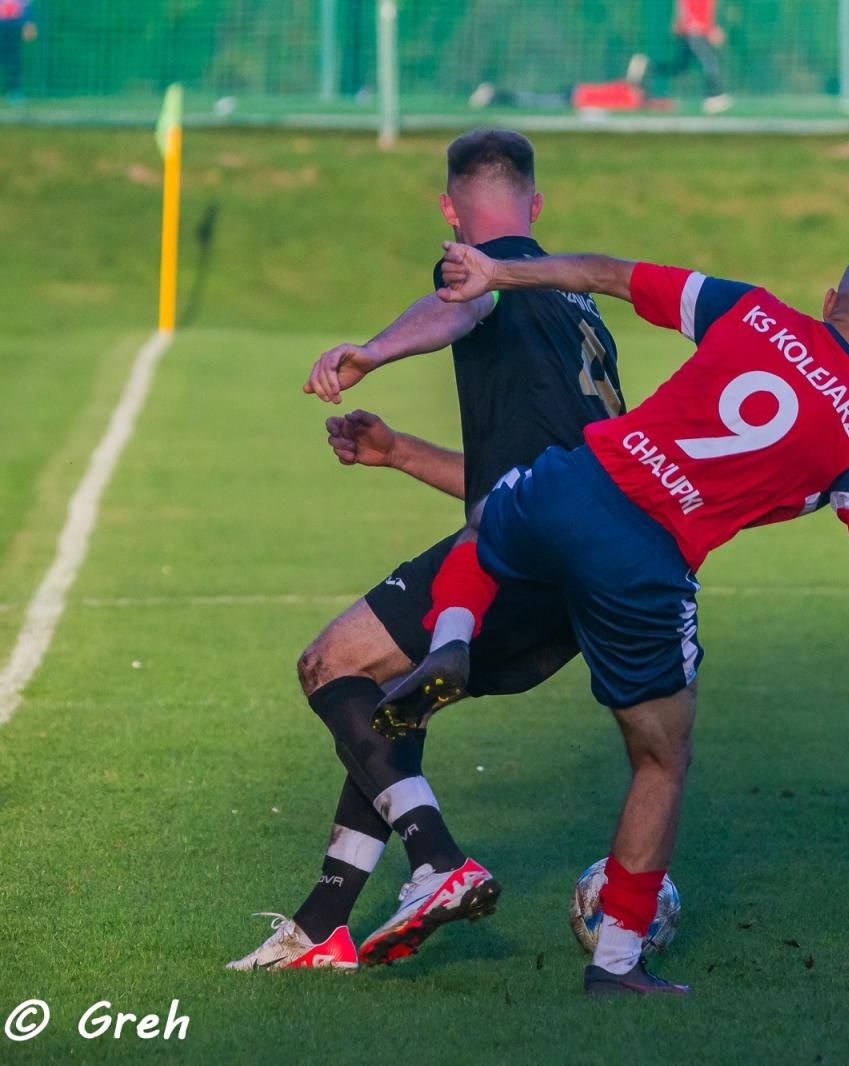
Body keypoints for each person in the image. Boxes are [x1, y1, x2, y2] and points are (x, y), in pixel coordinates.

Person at [382, 244, 849, 995]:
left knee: (493, 515)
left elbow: (611, 275)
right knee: (662, 760)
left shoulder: (754, 309)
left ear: (832, 298)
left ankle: (451, 641)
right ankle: (617, 965)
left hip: (582, 476)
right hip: (643, 556)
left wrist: (500, 273)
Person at [226, 128, 627, 972]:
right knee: (389, 700)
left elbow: (461, 304)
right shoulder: (578, 308)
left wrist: (368, 352)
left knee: (329, 664)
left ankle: (438, 861)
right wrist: (399, 450)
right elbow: (523, 470)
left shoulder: (478, 270)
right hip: (589, 566)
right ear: (537, 203)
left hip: (515, 555)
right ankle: (323, 924)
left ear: (451, 211)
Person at [628, 0, 732, 114]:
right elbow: (688, 6)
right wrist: (703, 28)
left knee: (680, 66)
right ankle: (713, 98)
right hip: (693, 31)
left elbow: (705, 10)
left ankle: (647, 67)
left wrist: (711, 28)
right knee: (710, 61)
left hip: (696, 30)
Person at [0, 0, 36, 104]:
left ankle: (14, 91)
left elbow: (27, 6)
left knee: (15, 62)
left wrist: (29, 23)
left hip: (15, 28)